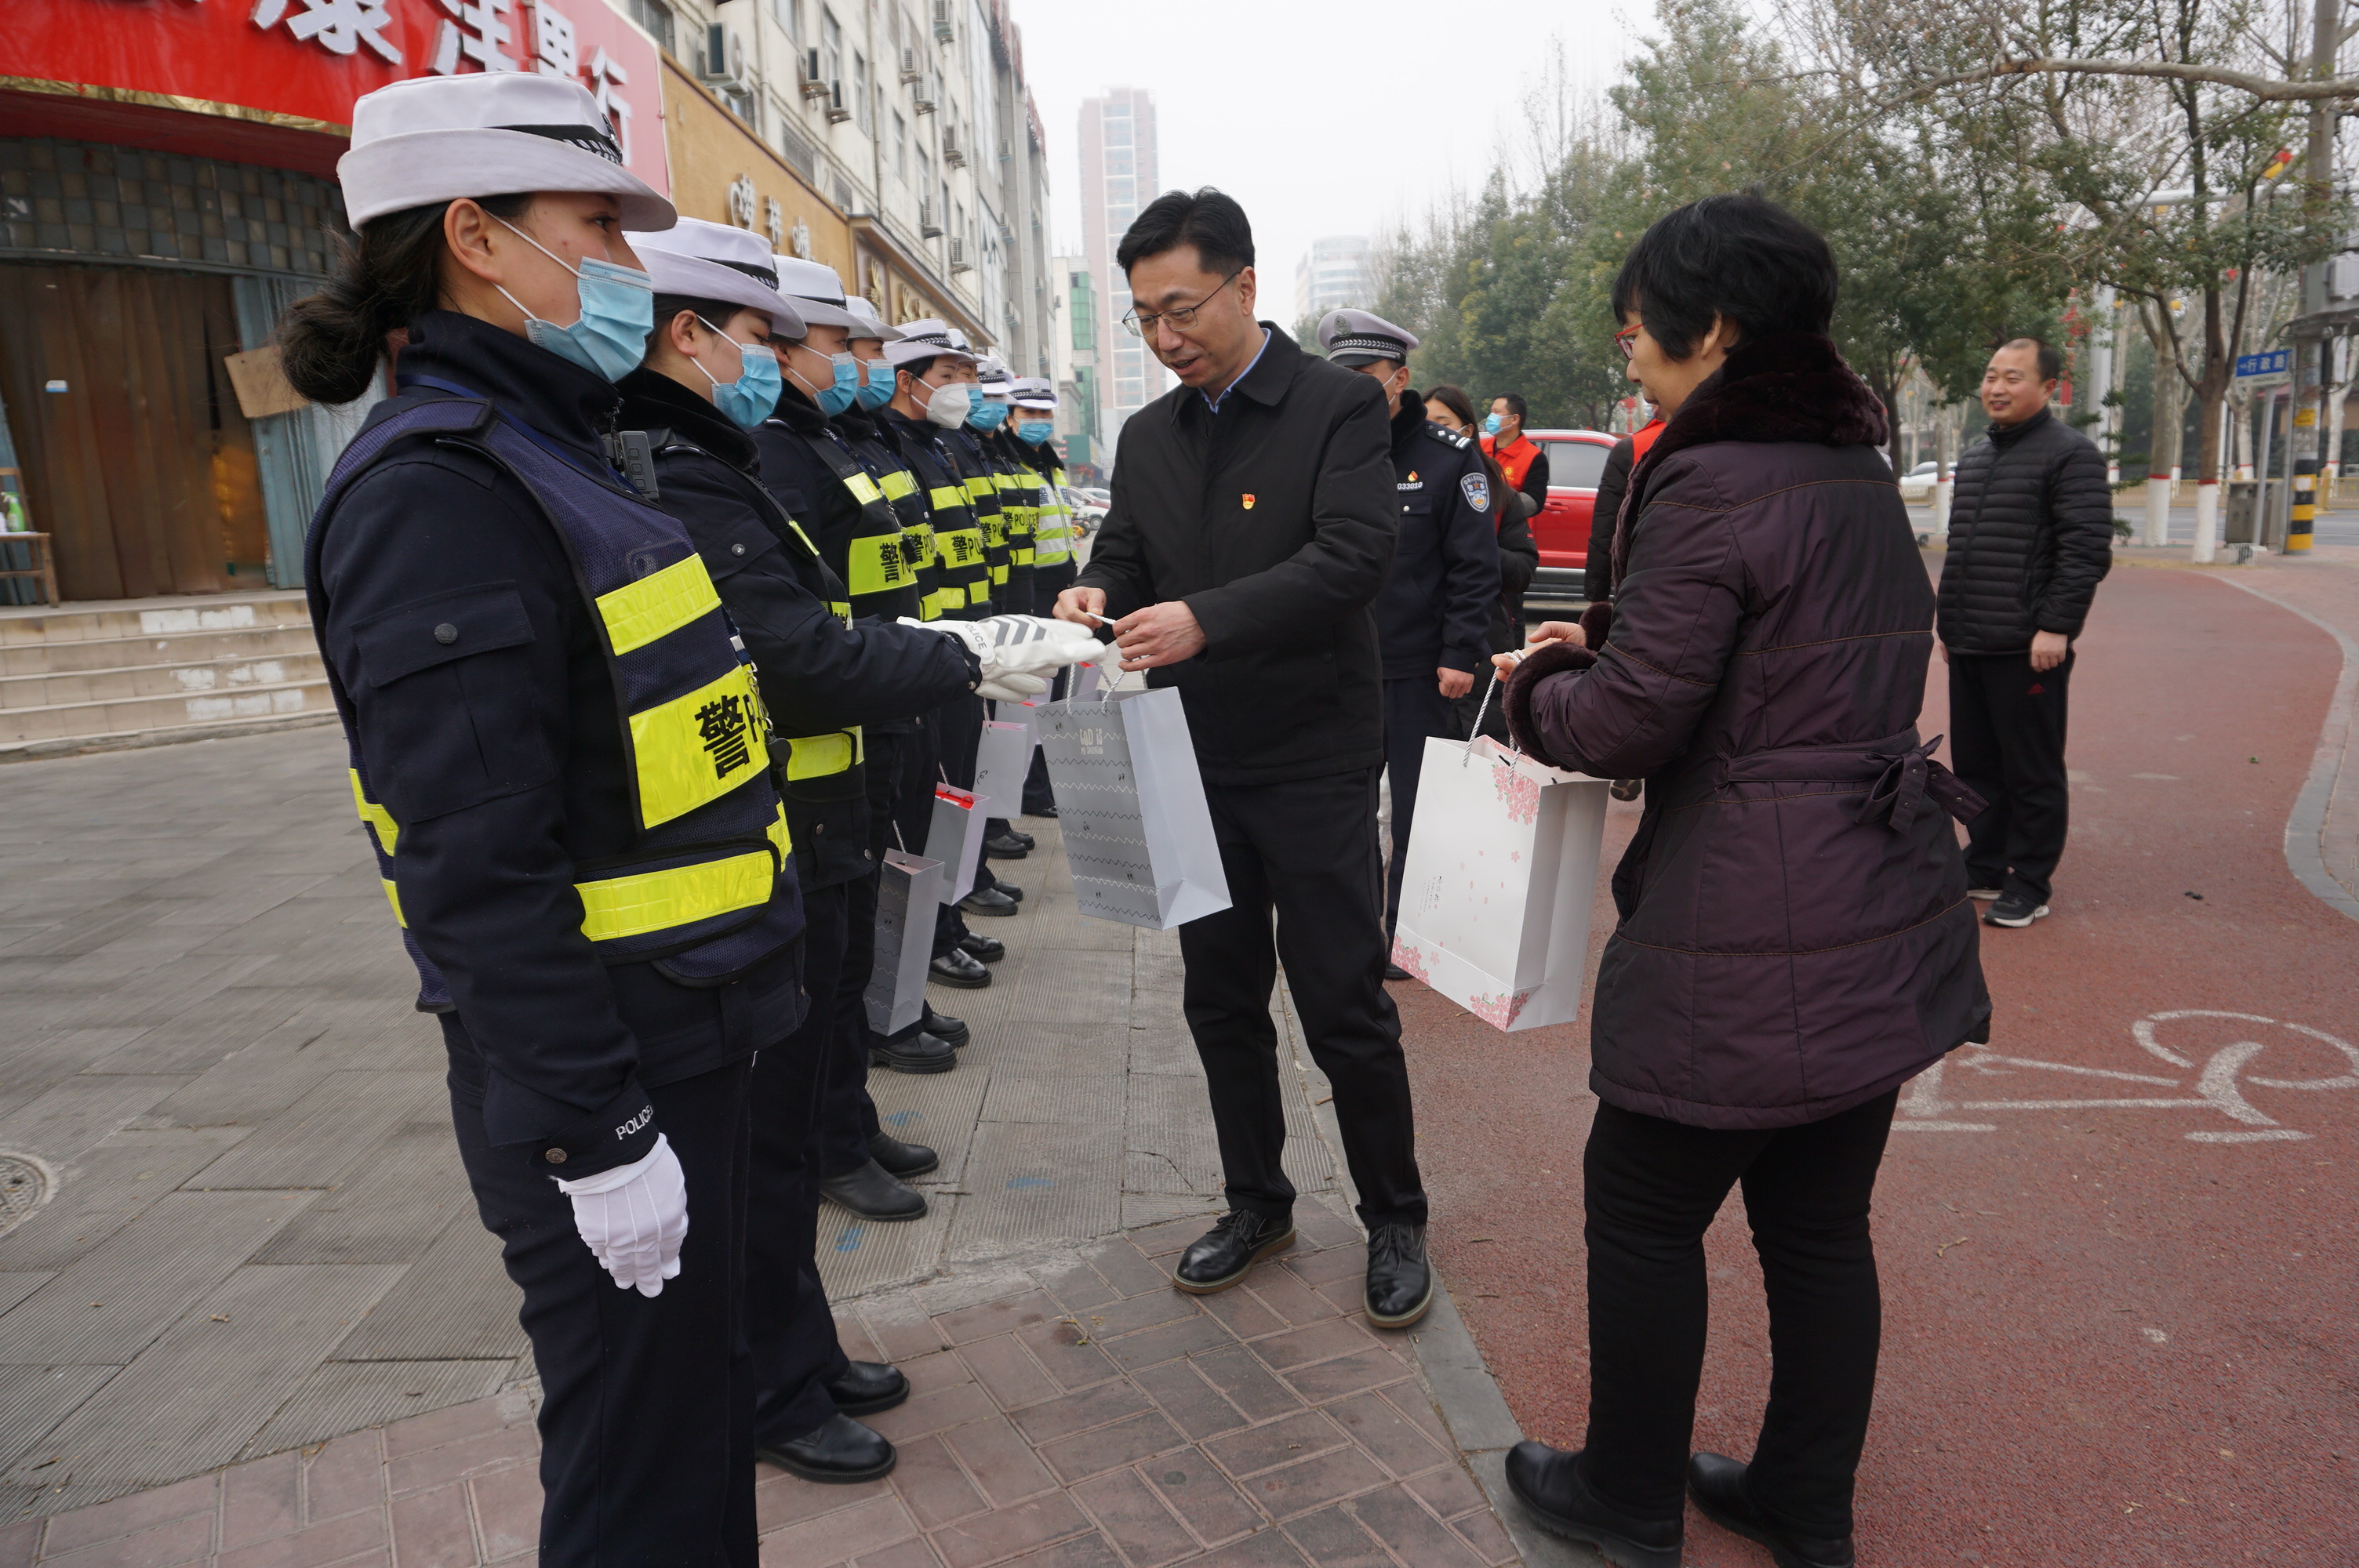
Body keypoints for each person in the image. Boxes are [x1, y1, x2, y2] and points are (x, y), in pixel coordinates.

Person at [284, 72, 798, 1563]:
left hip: (690, 1032)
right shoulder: (434, 498)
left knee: (698, 1439)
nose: (631, 273)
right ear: (477, 239)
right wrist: (603, 1135)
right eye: (598, 230)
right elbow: (473, 870)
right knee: (637, 1485)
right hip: (610, 1078)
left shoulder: (550, 453)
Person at [1492, 194, 1990, 1568]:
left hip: (1747, 910)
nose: (1629, 350)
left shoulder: (1705, 476)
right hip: (1881, 900)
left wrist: (1534, 690)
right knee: (1819, 1227)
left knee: (1642, 1208)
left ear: (1710, 329)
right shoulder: (1848, 470)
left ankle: (1627, 1500)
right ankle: (1800, 1505)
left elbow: (1628, 724)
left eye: (1640, 326)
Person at [615, 217, 1003, 1483]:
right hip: (731, 857)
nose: (782, 360)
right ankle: (774, 1384)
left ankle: (798, 1348)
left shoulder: (709, 456)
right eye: (766, 337)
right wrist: (966, 655)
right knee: (763, 1149)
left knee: (776, 1143)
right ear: (694, 334)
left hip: (787, 832)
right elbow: (796, 655)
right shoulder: (684, 468)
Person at [1054, 188, 1432, 1330]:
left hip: (1311, 755)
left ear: (1245, 286)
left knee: (1341, 1001)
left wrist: (1208, 618)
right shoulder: (1147, 433)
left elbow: (1355, 558)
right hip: (1189, 757)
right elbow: (1123, 545)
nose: (1165, 336)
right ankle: (1255, 1201)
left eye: (1181, 308)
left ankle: (1394, 1214)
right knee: (1219, 998)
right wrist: (1095, 590)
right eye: (1144, 317)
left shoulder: (1332, 408)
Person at [1315, 310, 1499, 953]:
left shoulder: (1449, 459)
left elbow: (1476, 566)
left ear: (1401, 378)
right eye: (1344, 377)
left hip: (1417, 667)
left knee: (1418, 812)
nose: (1356, 389)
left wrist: (1460, 653)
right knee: (1344, 814)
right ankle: (1358, 933)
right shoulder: (1324, 447)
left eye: (1368, 376)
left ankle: (1409, 936)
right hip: (1336, 665)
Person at [1937, 337, 2114, 930]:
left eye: (2013, 377)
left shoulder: (2071, 456)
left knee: (2031, 767)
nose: (1997, 387)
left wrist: (2056, 627)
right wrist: (1949, 624)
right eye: (1991, 376)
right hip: (1971, 641)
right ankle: (1986, 863)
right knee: (1977, 766)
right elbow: (1964, 552)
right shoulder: (1979, 456)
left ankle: (2031, 880)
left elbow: (2085, 550)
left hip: (2028, 648)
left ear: (2045, 387)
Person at [1424, 383, 1535, 743]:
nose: (1435, 431)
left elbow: (1523, 568)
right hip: (1421, 641)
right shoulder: (1410, 482)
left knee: (1480, 748)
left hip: (1486, 638)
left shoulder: (1496, 491)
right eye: (1427, 423)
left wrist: (1476, 548)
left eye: (1444, 422)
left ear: (1467, 429)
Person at [1483, 392, 1550, 521]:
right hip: (1477, 530)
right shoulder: (1479, 448)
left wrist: (1491, 501)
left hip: (1510, 534)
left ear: (1514, 419)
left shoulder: (1534, 457)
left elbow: (1534, 502)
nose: (1491, 417)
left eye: (1497, 412)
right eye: (1491, 412)